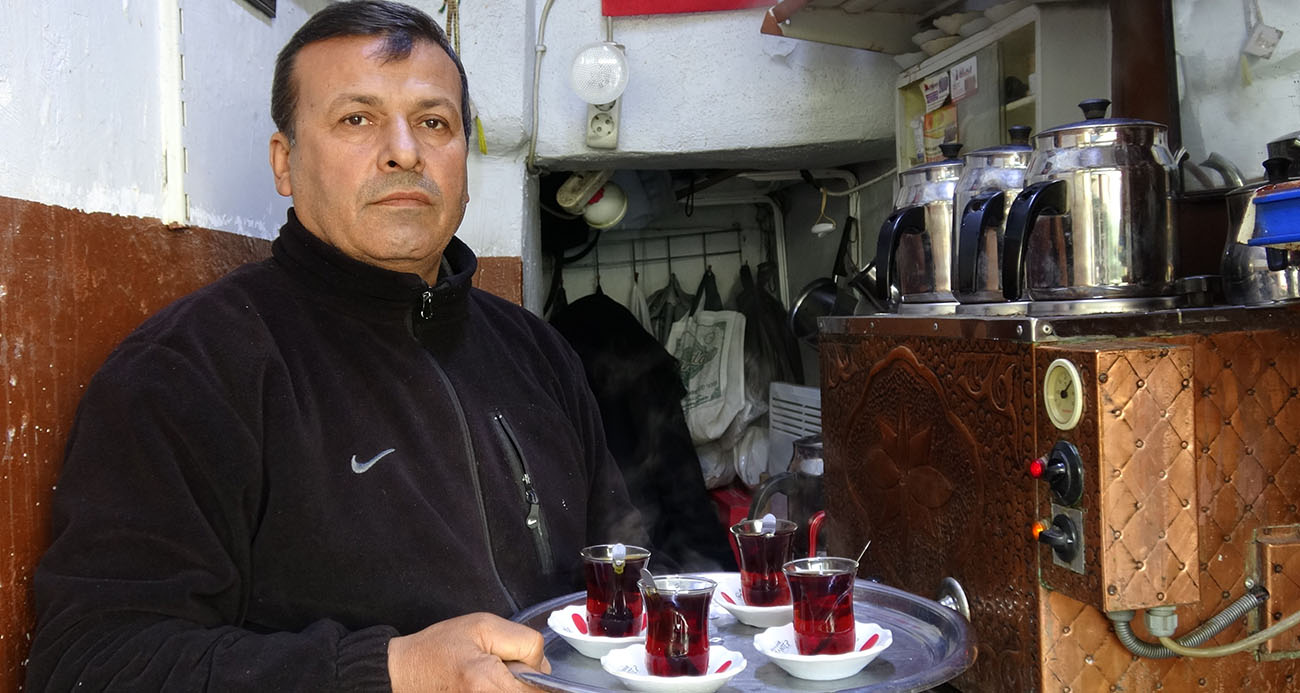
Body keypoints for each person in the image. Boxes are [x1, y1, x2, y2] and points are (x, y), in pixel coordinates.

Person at [25, 2, 647, 691]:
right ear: (284, 162)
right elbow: (91, 662)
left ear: (463, 162)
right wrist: (390, 669)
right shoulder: (189, 372)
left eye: (434, 122)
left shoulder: (536, 351)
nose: (404, 151)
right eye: (358, 119)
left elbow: (614, 564)